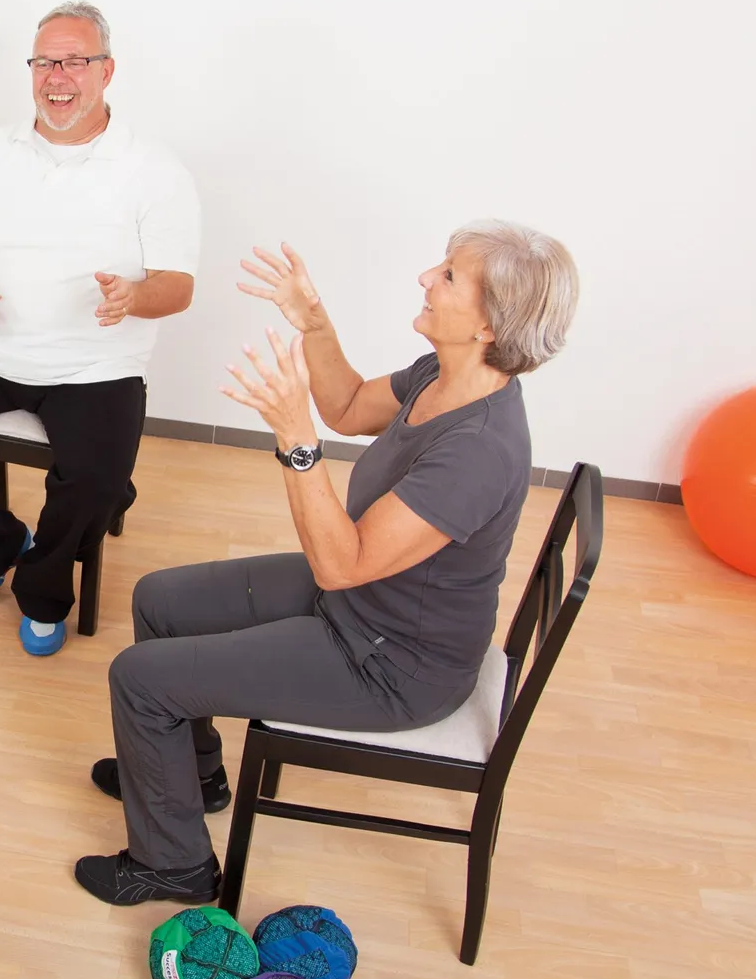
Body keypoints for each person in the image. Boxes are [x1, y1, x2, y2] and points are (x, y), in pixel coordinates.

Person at [76, 221, 580, 904]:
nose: (427, 277)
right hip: (360, 604)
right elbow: (345, 405)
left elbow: (344, 561)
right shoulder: (443, 372)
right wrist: (313, 323)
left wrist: (295, 439)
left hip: (392, 663)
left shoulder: (478, 450)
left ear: (489, 324)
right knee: (158, 600)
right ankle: (188, 779)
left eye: (450, 276)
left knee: (139, 679)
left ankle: (175, 864)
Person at [0, 2, 200, 657]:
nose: (58, 75)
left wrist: (134, 295)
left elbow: (178, 287)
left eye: (75, 60)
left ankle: (46, 592)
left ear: (107, 71)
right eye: (45, 60)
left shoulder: (154, 169)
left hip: (95, 364)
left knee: (96, 481)